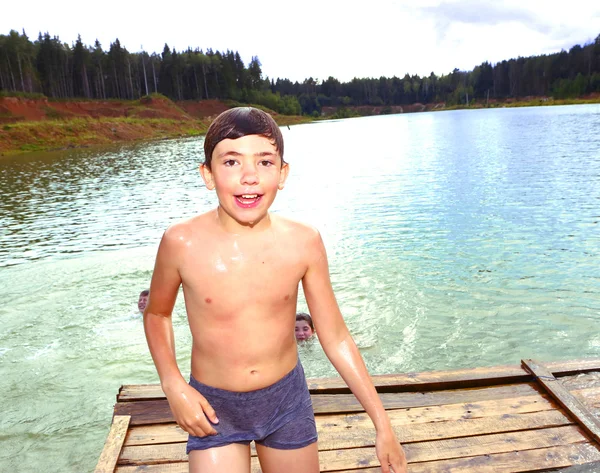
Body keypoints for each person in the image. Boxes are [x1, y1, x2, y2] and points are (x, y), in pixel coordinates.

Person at [143, 107, 407, 473]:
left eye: (265, 162)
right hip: (213, 405)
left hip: (286, 400)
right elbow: (157, 313)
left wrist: (382, 424)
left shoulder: (304, 241)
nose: (249, 177)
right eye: (231, 161)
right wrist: (173, 384)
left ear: (282, 173)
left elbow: (335, 335)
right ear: (207, 173)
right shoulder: (181, 242)